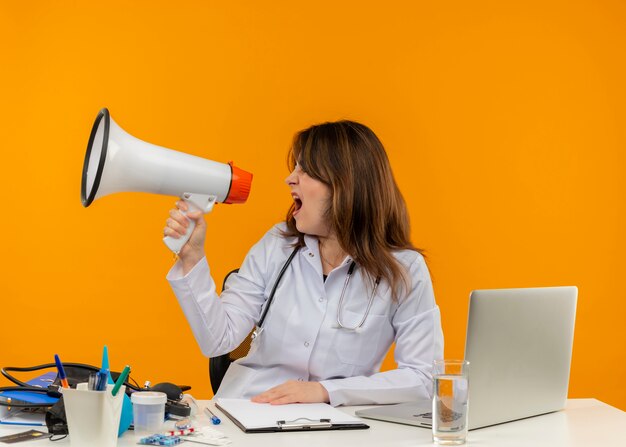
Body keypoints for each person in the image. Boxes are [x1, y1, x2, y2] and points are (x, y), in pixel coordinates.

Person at [164, 120, 444, 406]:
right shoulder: (277, 245)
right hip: (251, 409)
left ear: (344, 186)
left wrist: (326, 391)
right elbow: (218, 340)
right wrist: (192, 259)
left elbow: (422, 377)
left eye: (305, 170)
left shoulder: (405, 271)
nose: (290, 179)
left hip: (335, 424)